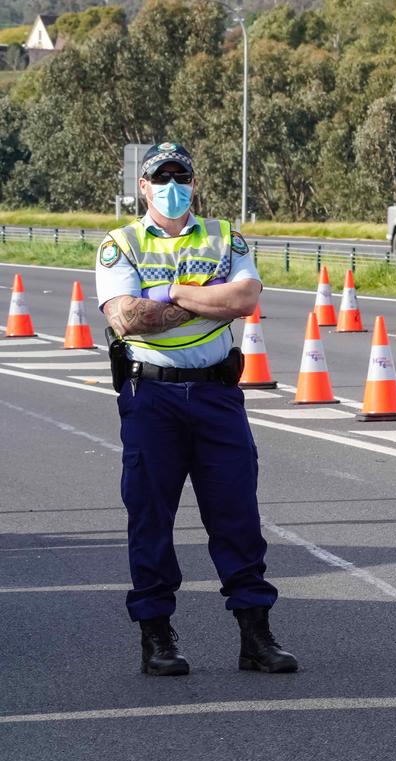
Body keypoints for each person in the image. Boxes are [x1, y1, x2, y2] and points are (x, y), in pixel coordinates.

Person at [96, 142, 297, 676]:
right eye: (159, 176)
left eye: (179, 174)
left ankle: (256, 636)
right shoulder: (121, 244)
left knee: (238, 516)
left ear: (193, 179)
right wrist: (203, 295)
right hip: (152, 398)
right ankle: (157, 637)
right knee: (150, 517)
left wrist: (170, 293)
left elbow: (246, 300)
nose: (171, 184)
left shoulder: (225, 235)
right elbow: (126, 317)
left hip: (216, 395)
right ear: (143, 186)